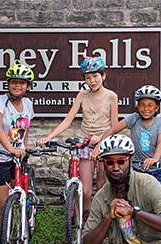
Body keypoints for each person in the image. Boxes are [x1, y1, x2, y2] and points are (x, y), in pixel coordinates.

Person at [38, 56, 119, 218]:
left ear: (103, 76)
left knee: (103, 187)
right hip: (85, 145)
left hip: (104, 145)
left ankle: (105, 223)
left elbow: (115, 126)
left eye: (95, 76)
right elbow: (68, 120)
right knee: (86, 191)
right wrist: (48, 137)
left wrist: (101, 139)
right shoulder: (82, 95)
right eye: (88, 78)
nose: (92, 81)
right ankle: (86, 224)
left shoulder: (111, 96)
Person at [0, 61, 35, 244]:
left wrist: (24, 145)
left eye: (22, 82)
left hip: (17, 157)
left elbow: (24, 127)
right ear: (8, 84)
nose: (17, 85)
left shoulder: (28, 104)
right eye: (13, 82)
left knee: (16, 198)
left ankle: (14, 236)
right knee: (4, 203)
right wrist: (11, 148)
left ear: (28, 86)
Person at [102, 85, 161, 195]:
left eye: (150, 105)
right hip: (139, 168)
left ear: (156, 108)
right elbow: (113, 130)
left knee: (159, 199)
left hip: (159, 168)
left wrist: (155, 158)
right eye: (142, 105)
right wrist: (98, 146)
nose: (146, 109)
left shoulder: (160, 122)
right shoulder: (134, 118)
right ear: (137, 106)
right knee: (137, 199)